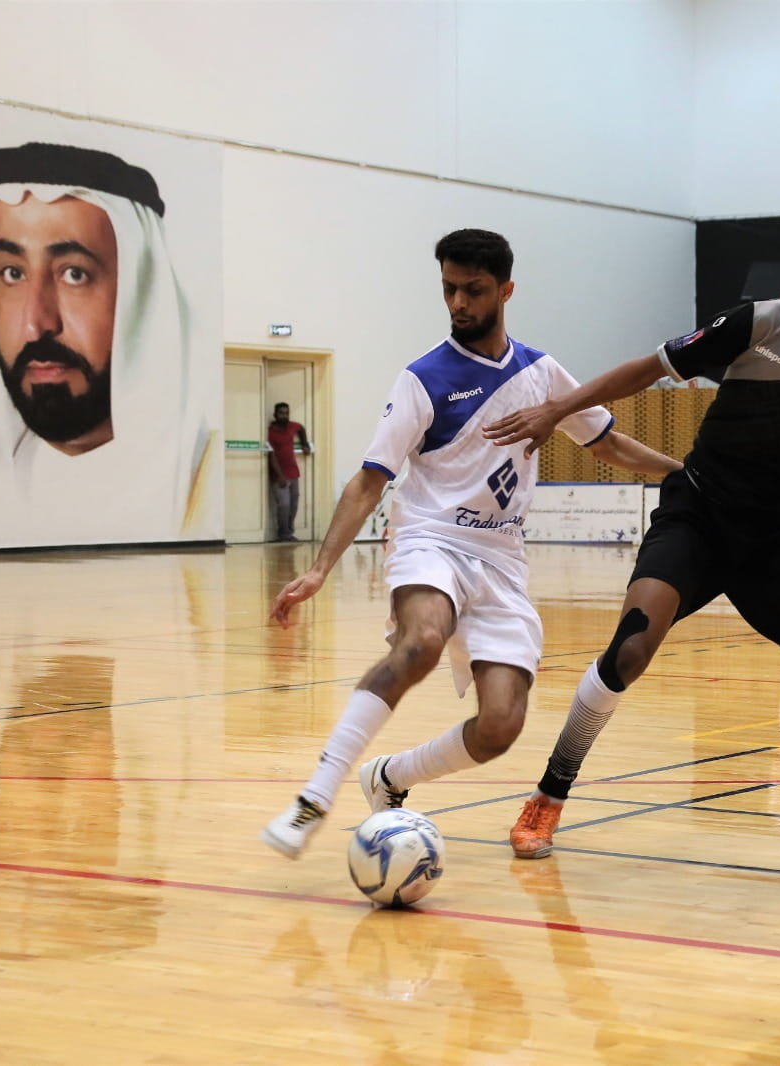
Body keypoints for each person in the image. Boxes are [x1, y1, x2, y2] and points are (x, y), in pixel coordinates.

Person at [479, 222, 780, 859]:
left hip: (779, 531)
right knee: (629, 649)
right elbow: (645, 369)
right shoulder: (759, 323)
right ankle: (548, 797)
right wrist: (556, 409)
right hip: (699, 509)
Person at [260, 228, 681, 859]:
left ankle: (392, 776)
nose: (459, 302)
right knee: (422, 640)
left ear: (506, 290)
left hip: (502, 560)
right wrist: (320, 569)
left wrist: (685, 474)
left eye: (473, 290)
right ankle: (315, 795)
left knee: (500, 727)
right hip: (430, 537)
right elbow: (370, 479)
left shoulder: (541, 373)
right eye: (449, 289)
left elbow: (609, 442)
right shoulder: (422, 378)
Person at [0, 142, 211, 548]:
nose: (35, 323)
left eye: (74, 274)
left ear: (142, 297)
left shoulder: (207, 491)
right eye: (12, 273)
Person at [267, 402, 311, 541]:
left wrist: (305, 444)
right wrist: (280, 476)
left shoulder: (292, 426)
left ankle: (289, 532)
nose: (284, 416)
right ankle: (283, 534)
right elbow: (271, 454)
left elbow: (301, 429)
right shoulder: (270, 432)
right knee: (284, 504)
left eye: (286, 413)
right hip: (279, 475)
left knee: (294, 504)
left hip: (293, 472)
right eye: (281, 413)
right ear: (275, 414)